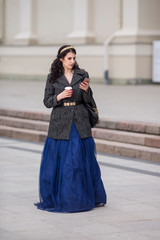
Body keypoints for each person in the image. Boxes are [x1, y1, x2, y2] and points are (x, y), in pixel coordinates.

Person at [35, 45, 107, 213]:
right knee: (64, 163)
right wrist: (59, 96)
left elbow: (88, 99)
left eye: (74, 58)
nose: (72, 61)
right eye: (69, 58)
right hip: (60, 123)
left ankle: (81, 197)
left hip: (79, 122)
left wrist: (87, 90)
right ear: (61, 59)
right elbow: (47, 101)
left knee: (77, 161)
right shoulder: (52, 77)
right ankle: (65, 198)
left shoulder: (82, 74)